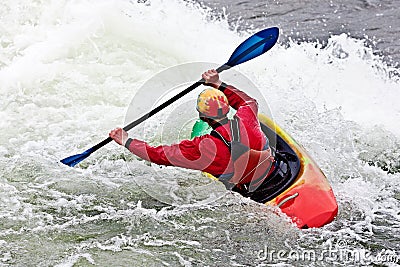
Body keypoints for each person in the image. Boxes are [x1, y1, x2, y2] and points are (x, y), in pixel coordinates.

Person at [109, 69, 290, 202]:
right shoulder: (246, 116)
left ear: (202, 116)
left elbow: (157, 155)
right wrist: (218, 83)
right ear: (227, 108)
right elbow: (248, 101)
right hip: (279, 173)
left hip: (254, 194)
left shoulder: (201, 148)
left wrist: (127, 141)